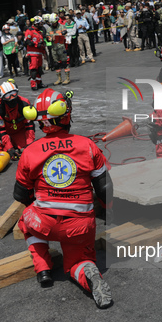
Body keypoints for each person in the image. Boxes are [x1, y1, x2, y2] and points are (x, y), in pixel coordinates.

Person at [14, 88, 113, 309]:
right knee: (77, 262)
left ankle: (43, 269)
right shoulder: (87, 146)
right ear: (66, 115)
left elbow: (20, 194)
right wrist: (107, 211)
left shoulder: (30, 152)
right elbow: (105, 188)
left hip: (44, 223)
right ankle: (86, 273)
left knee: (26, 219)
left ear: (40, 122)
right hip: (80, 226)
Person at [0, 80, 35, 156]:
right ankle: (1, 151)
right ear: (2, 98)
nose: (11, 98)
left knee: (26, 149)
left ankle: (14, 145)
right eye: (7, 96)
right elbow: (1, 130)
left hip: (19, 129)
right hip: (5, 128)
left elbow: (30, 126)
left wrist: (29, 143)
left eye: (14, 94)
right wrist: (9, 148)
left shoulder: (24, 103)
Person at [47, 14, 70, 86]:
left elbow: (65, 31)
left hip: (61, 47)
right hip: (54, 48)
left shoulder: (61, 26)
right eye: (52, 23)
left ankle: (67, 78)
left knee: (64, 63)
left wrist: (59, 35)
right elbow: (47, 38)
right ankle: (59, 79)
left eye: (54, 22)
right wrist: (51, 39)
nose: (53, 24)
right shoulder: (49, 29)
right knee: (56, 64)